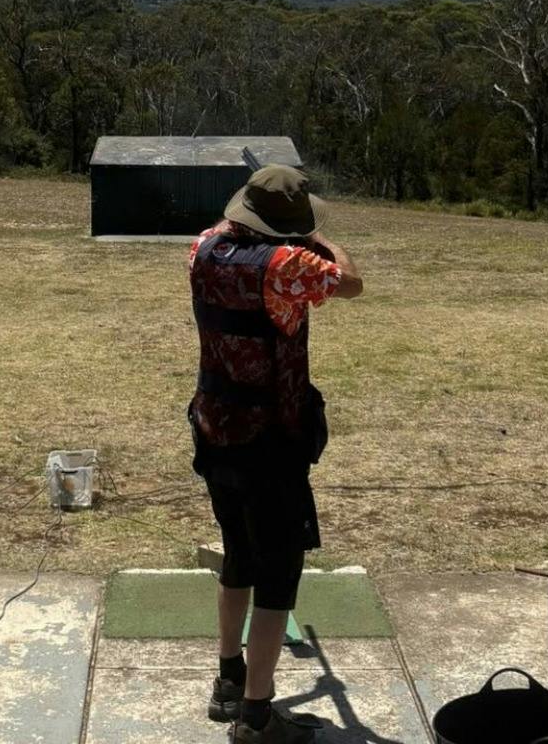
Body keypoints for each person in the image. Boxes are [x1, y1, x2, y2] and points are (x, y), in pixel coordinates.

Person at [187, 163, 364, 743]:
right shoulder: (289, 264)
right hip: (270, 440)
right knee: (278, 574)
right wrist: (318, 237)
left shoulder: (203, 248)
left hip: (215, 427)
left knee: (238, 555)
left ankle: (229, 679)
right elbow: (351, 281)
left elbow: (232, 234)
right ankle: (257, 717)